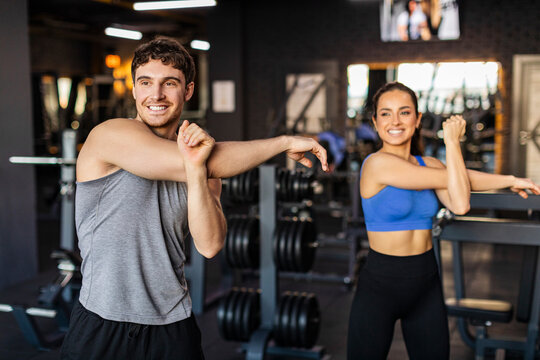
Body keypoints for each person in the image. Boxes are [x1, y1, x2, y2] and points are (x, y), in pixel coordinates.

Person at [60, 36, 328, 360]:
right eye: (145, 82)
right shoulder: (110, 135)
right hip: (103, 324)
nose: (155, 95)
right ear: (133, 89)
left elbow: (210, 245)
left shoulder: (200, 159)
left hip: (173, 325)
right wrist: (283, 142)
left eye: (169, 83)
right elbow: (216, 162)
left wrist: (199, 172)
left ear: (187, 90)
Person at [347, 81, 540, 360]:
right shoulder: (376, 164)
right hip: (380, 285)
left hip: (426, 282)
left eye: (404, 112)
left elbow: (459, 191)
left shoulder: (430, 165)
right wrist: (452, 142)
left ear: (418, 120)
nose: (395, 121)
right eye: (386, 113)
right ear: (375, 122)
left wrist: (510, 180)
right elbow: (460, 197)